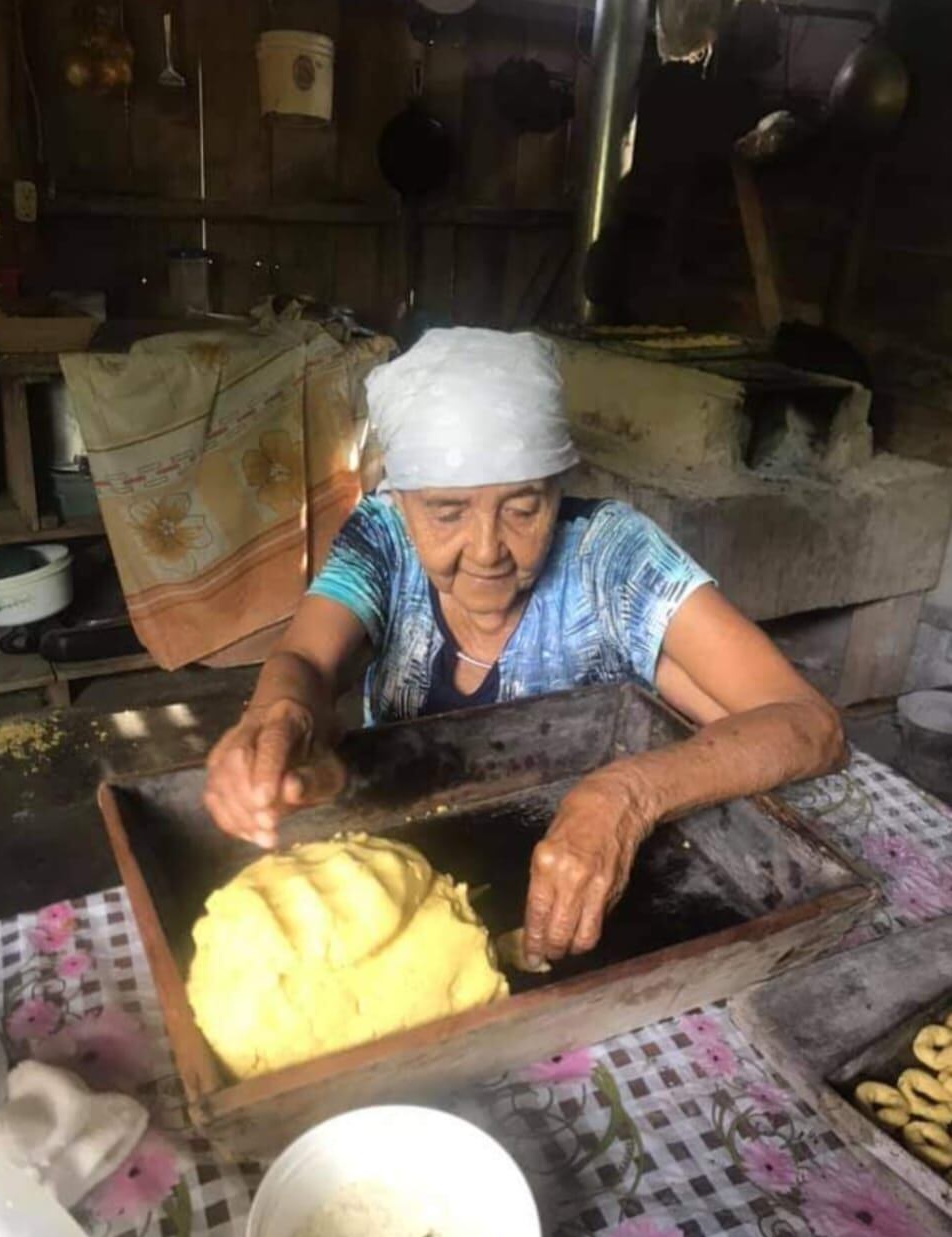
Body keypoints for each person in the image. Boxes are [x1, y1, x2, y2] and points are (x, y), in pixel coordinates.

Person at [205, 328, 845, 970]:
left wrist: (623, 796)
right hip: (399, 872)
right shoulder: (382, 539)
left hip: (597, 900)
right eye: (447, 513)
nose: (487, 551)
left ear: (558, 490)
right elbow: (308, 661)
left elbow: (810, 725)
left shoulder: (611, 558)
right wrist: (280, 715)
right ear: (399, 502)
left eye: (522, 508)